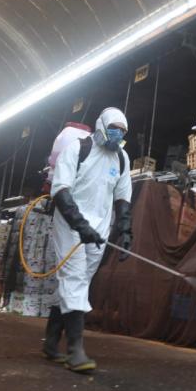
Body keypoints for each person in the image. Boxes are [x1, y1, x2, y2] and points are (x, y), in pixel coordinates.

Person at [44, 107, 133, 373]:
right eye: (114, 128)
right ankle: (75, 351)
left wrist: (125, 229)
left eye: (123, 131)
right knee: (74, 279)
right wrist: (79, 225)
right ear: (101, 126)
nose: (118, 134)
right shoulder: (78, 149)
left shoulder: (122, 158)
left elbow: (123, 196)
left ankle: (51, 343)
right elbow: (60, 190)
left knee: (79, 282)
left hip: (99, 231)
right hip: (69, 225)